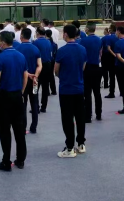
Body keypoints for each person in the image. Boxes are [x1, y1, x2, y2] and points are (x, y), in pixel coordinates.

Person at [0, 31, 27, 171]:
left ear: (2, 42)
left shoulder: (0, 57)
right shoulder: (21, 56)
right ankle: (21, 159)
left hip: (4, 96)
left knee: (5, 129)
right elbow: (25, 76)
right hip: (17, 95)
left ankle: (6, 161)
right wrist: (21, 91)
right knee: (19, 129)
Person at [54, 25, 87, 157]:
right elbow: (83, 67)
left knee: (67, 119)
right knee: (80, 117)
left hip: (66, 89)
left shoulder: (62, 51)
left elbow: (56, 70)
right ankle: (81, 144)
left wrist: (63, 76)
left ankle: (69, 148)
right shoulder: (82, 49)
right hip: (79, 87)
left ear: (66, 34)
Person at [14, 28, 42, 133]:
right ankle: (34, 127)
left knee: (23, 103)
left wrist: (28, 74)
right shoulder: (35, 49)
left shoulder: (17, 49)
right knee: (34, 103)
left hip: (22, 80)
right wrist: (35, 76)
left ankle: (23, 126)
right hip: (34, 80)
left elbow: (17, 67)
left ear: (21, 36)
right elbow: (39, 65)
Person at [79, 22, 103, 122]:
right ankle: (99, 114)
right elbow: (100, 54)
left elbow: (81, 55)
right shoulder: (99, 40)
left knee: (87, 93)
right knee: (97, 92)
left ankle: (88, 116)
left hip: (87, 68)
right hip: (96, 67)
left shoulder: (83, 41)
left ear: (87, 29)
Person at [33, 28, 55, 111]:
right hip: (48, 65)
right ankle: (44, 106)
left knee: (35, 86)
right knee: (45, 87)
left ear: (38, 33)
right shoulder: (48, 42)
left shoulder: (35, 42)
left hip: (39, 65)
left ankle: (36, 106)